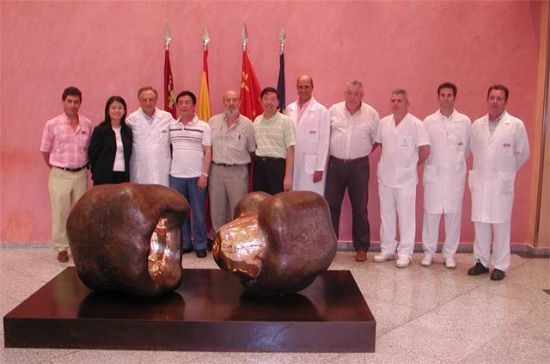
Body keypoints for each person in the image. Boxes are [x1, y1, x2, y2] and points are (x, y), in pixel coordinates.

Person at [467, 84, 529, 281]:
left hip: (501, 183)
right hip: (481, 181)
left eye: (499, 98)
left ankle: (501, 265)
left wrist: (507, 172)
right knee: (481, 223)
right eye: (492, 97)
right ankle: (481, 262)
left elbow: (523, 153)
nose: (495, 101)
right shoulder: (477, 125)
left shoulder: (516, 125)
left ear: (505, 101)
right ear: (487, 99)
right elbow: (474, 150)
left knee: (501, 225)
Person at [374, 89, 430, 268]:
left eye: (399, 100)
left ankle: (405, 252)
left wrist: (411, 165)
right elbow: (382, 145)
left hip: (406, 180)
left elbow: (425, 150)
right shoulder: (384, 123)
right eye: (393, 100)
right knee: (387, 215)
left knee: (406, 217)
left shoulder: (416, 124)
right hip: (386, 178)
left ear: (407, 104)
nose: (396, 103)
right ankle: (388, 249)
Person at [325, 80, 380, 262]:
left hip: (359, 166)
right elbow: (325, 136)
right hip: (335, 165)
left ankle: (362, 248)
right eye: (349, 93)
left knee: (360, 208)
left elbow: (376, 140)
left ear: (362, 96)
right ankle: (331, 247)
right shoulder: (333, 111)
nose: (352, 97)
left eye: (356, 94)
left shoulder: (372, 114)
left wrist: (360, 153)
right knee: (332, 207)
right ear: (344, 93)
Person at [421, 83, 471, 269]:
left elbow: (466, 149)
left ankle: (449, 254)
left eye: (449, 95)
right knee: (431, 214)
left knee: (453, 216)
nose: (446, 98)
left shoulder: (465, 122)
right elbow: (425, 148)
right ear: (438, 97)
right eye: (442, 95)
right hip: (434, 174)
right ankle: (429, 252)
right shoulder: (428, 121)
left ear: (454, 97)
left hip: (454, 177)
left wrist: (454, 164)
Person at [40, 86, 92, 262]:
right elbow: (45, 151)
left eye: (76, 101)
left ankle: (78, 247)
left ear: (80, 103)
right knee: (61, 212)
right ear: (63, 102)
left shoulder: (87, 124)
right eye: (69, 101)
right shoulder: (52, 124)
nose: (73, 104)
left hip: (81, 174)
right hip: (60, 174)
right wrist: (57, 168)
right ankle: (62, 248)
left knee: (79, 213)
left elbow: (88, 149)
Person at [169, 91, 212, 258]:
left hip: (196, 176)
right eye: (181, 103)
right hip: (176, 176)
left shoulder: (204, 126)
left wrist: (204, 175)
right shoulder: (171, 125)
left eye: (187, 102)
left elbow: (208, 152)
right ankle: (185, 243)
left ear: (194, 105)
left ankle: (200, 244)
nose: (184, 105)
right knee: (181, 212)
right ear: (177, 105)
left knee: (199, 212)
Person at [208, 90, 255, 232]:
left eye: (234, 100)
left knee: (238, 210)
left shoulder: (248, 125)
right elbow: (207, 147)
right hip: (216, 170)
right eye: (228, 100)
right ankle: (220, 243)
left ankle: (237, 243)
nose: (231, 103)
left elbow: (252, 149)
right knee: (217, 210)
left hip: (238, 172)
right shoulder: (212, 122)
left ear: (239, 102)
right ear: (223, 102)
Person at [285, 75, 330, 195]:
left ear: (312, 88)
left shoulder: (322, 111)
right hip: (293, 162)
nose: (303, 90)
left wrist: (320, 168)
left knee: (310, 200)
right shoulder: (290, 109)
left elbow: (324, 142)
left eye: (306, 87)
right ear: (296, 88)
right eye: (300, 87)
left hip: (312, 165)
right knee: (293, 200)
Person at [126, 86, 173, 186]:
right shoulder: (131, 120)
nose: (148, 103)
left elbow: (177, 138)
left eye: (151, 99)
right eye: (144, 100)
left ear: (156, 100)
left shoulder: (167, 118)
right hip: (141, 170)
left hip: (162, 169)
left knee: (162, 198)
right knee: (141, 199)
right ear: (139, 101)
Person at [253, 87, 296, 194]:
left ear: (278, 102)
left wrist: (287, 176)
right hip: (259, 167)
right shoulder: (257, 121)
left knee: (277, 204)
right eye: (266, 99)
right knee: (260, 202)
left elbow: (290, 150)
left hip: (277, 168)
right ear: (261, 101)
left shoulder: (286, 121)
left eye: (273, 99)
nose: (269, 102)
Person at [88, 96, 133, 185]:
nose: (117, 110)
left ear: (124, 111)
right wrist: (98, 171)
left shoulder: (127, 131)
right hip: (103, 177)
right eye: (113, 108)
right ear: (108, 111)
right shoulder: (100, 130)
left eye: (120, 108)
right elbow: (92, 154)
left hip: (123, 176)